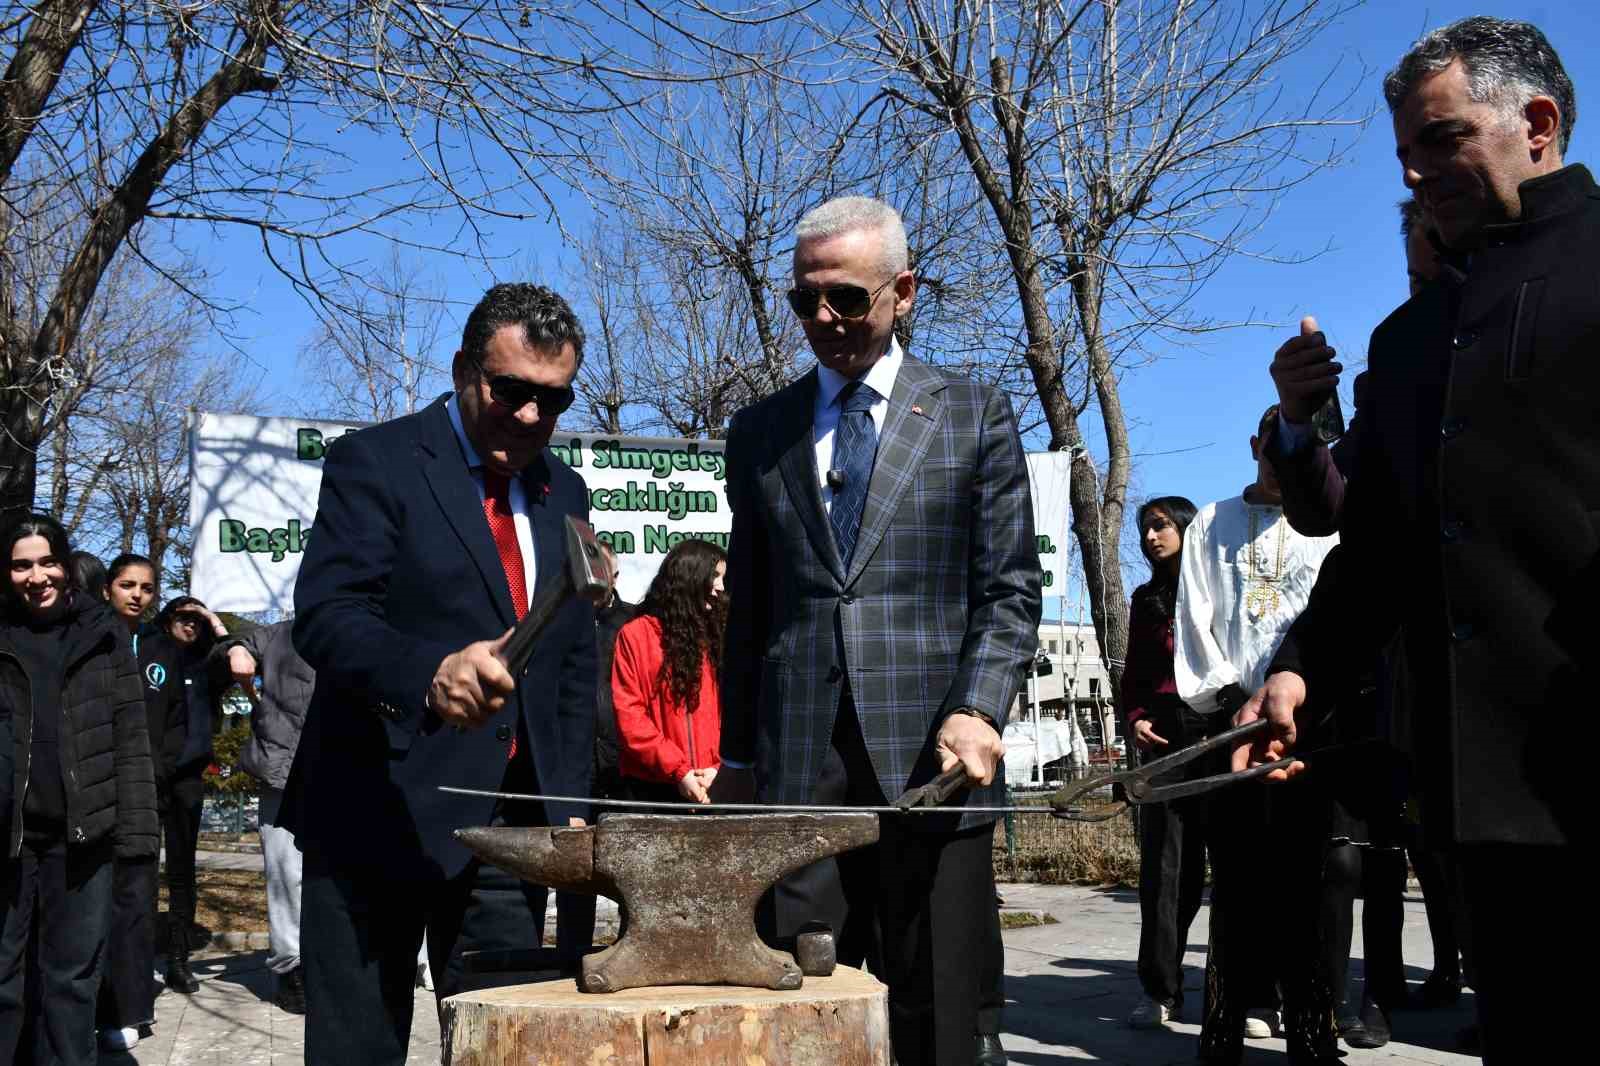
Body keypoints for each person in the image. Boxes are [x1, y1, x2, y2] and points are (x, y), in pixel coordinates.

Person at [1239, 18, 1593, 1064]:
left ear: (1537, 123)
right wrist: (1300, 667)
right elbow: (1378, 547)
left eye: (1441, 138)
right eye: (1404, 147)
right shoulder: (1408, 344)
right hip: (1484, 798)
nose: (1413, 170)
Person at [719, 195, 1042, 1066]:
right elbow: (750, 609)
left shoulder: (974, 415)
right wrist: (737, 758)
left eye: (847, 298)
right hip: (798, 773)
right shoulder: (759, 433)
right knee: (800, 1021)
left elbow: (1009, 590)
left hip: (932, 767)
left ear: (903, 292)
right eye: (806, 299)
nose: (824, 319)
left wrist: (979, 708)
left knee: (938, 1017)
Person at [285, 282, 598, 1066]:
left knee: (507, 1048)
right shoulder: (376, 462)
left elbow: (571, 661)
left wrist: (570, 804)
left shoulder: (566, 490)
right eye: (511, 390)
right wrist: (428, 673)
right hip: (374, 814)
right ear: (464, 370)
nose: (530, 416)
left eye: (554, 399)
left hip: (509, 835)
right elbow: (328, 613)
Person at [1173, 406, 1338, 1064]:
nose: (1282, 469)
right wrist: (1235, 703)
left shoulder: (1328, 524)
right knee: (1237, 882)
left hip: (1311, 728)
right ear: (1255, 447)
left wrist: (1304, 697)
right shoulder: (1212, 523)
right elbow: (1196, 621)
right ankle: (1222, 1027)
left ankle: (1312, 1032)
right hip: (1233, 731)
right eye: (1275, 453)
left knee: (1309, 884)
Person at [0, 515, 157, 1066]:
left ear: (65, 566)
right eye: (21, 565)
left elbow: (130, 739)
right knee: (4, 980)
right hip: (8, 840)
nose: (36, 576)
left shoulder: (103, 634)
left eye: (48, 562)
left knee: (71, 982)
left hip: (83, 840)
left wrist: (138, 843)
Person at [1120, 495, 1202, 1031]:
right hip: (1166, 739)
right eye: (1145, 528)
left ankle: (1253, 995)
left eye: (1161, 525)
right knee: (1165, 870)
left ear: (1187, 528)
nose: (1150, 537)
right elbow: (1134, 675)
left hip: (1221, 727)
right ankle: (1160, 988)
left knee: (1242, 864)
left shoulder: (1216, 586)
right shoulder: (1144, 599)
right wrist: (1135, 719)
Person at [208, 619, 314, 1014]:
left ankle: (333, 962)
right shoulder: (278, 633)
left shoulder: (359, 628)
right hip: (280, 773)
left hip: (343, 771)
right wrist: (235, 649)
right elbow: (227, 648)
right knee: (286, 873)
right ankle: (290, 968)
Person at [94, 553, 173, 1051]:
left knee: (137, 903)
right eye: (127, 585)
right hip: (96, 789)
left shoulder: (162, 647)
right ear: (108, 588)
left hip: (145, 794)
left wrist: (162, 772)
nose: (137, 595)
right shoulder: (89, 640)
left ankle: (131, 1008)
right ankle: (93, 1007)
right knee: (92, 904)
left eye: (146, 587)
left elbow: (179, 719)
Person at [151, 594, 228, 995]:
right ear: (168, 620)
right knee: (140, 871)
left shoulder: (206, 665)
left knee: (182, 873)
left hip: (187, 780)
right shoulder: (150, 656)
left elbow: (236, 658)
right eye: (184, 617)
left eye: (196, 620)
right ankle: (134, 956)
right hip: (148, 778)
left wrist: (213, 620)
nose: (190, 624)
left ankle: (177, 960)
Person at [612, 539, 726, 804]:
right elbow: (630, 717)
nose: (721, 587)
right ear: (690, 577)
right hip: (651, 789)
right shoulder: (636, 636)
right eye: (715, 576)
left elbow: (736, 711)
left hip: (713, 783)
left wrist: (719, 768)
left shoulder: (720, 635)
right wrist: (678, 770)